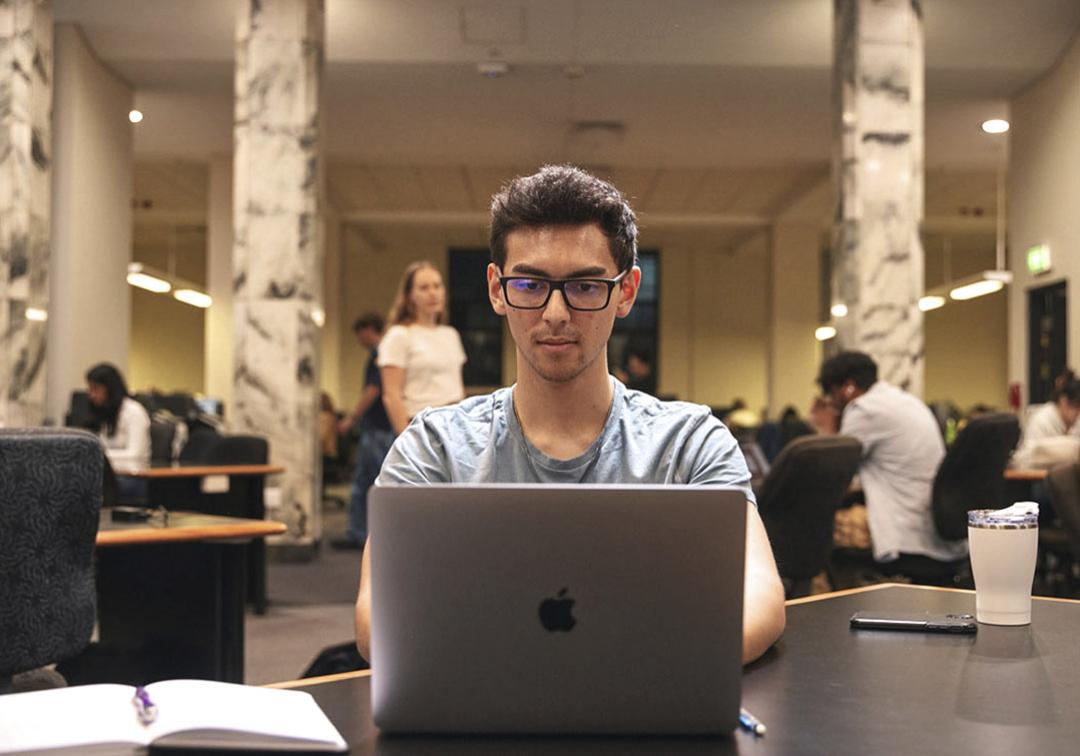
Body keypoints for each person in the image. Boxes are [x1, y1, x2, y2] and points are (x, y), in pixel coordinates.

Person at [355, 165, 786, 664]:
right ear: (498, 289)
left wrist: (614, 671)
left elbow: (761, 598)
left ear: (625, 292)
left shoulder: (689, 442)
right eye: (530, 285)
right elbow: (375, 621)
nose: (555, 313)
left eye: (584, 287)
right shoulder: (434, 447)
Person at [811, 351, 968, 584]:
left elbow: (831, 472)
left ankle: (839, 611)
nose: (832, 403)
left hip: (907, 536)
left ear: (847, 388)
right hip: (936, 528)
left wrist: (823, 427)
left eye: (831, 394)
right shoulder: (904, 400)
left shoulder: (864, 409)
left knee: (815, 533)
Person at [377, 262, 467, 436]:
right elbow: (391, 394)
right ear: (410, 296)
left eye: (437, 286)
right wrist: (406, 439)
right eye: (424, 288)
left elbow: (457, 385)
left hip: (456, 425)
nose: (432, 293)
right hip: (421, 427)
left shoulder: (450, 335)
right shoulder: (399, 335)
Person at [332, 313, 396, 550]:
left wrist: (351, 418)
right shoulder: (383, 353)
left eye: (361, 333)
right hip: (381, 427)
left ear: (370, 329)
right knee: (375, 482)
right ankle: (370, 533)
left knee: (367, 483)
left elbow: (373, 390)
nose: (359, 339)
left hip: (377, 428)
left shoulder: (380, 354)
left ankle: (359, 534)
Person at [86, 363, 151, 500]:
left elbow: (135, 454)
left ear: (110, 389)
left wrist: (99, 455)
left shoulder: (134, 412)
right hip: (114, 475)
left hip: (133, 478)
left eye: (96, 389)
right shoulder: (107, 415)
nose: (91, 395)